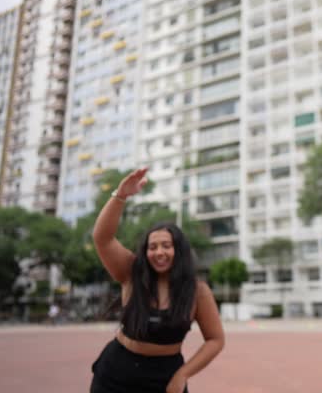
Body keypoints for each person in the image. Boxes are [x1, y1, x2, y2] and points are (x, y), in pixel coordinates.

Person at [89, 168, 224, 393]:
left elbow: (215, 340)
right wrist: (120, 195)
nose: (159, 252)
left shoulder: (197, 291)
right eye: (152, 247)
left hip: (165, 377)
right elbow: (102, 238)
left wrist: (183, 374)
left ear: (178, 250)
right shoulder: (131, 273)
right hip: (116, 372)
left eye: (166, 246)